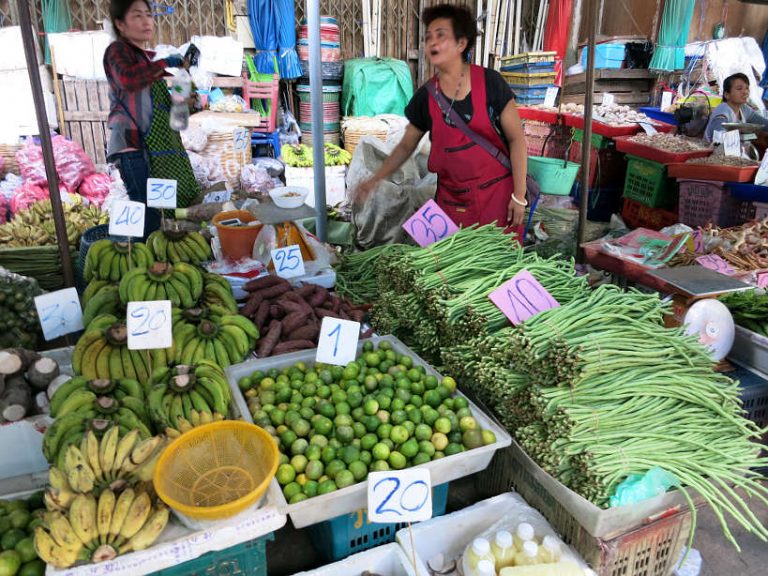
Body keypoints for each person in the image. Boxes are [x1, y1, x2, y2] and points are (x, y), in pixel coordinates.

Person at [355, 4, 528, 234]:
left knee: (501, 268)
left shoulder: (491, 83)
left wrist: (519, 196)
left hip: (497, 200)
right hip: (452, 207)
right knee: (451, 268)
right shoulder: (425, 97)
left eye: (441, 35)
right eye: (428, 38)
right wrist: (374, 180)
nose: (433, 43)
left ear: (461, 43)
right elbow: (406, 146)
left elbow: (517, 140)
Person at [104, 0, 200, 237]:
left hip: (153, 148)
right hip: (132, 147)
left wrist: (183, 104)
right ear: (120, 24)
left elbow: (159, 113)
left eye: (148, 14)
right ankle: (140, 263)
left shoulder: (144, 60)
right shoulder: (117, 52)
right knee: (146, 212)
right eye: (137, 16)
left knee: (157, 213)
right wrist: (167, 62)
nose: (147, 20)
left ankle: (156, 259)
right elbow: (128, 79)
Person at [705, 73, 768, 146]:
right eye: (739, 89)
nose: (745, 92)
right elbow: (719, 142)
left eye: (747, 88)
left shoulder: (744, 109)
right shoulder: (722, 114)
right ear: (726, 94)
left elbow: (764, 124)